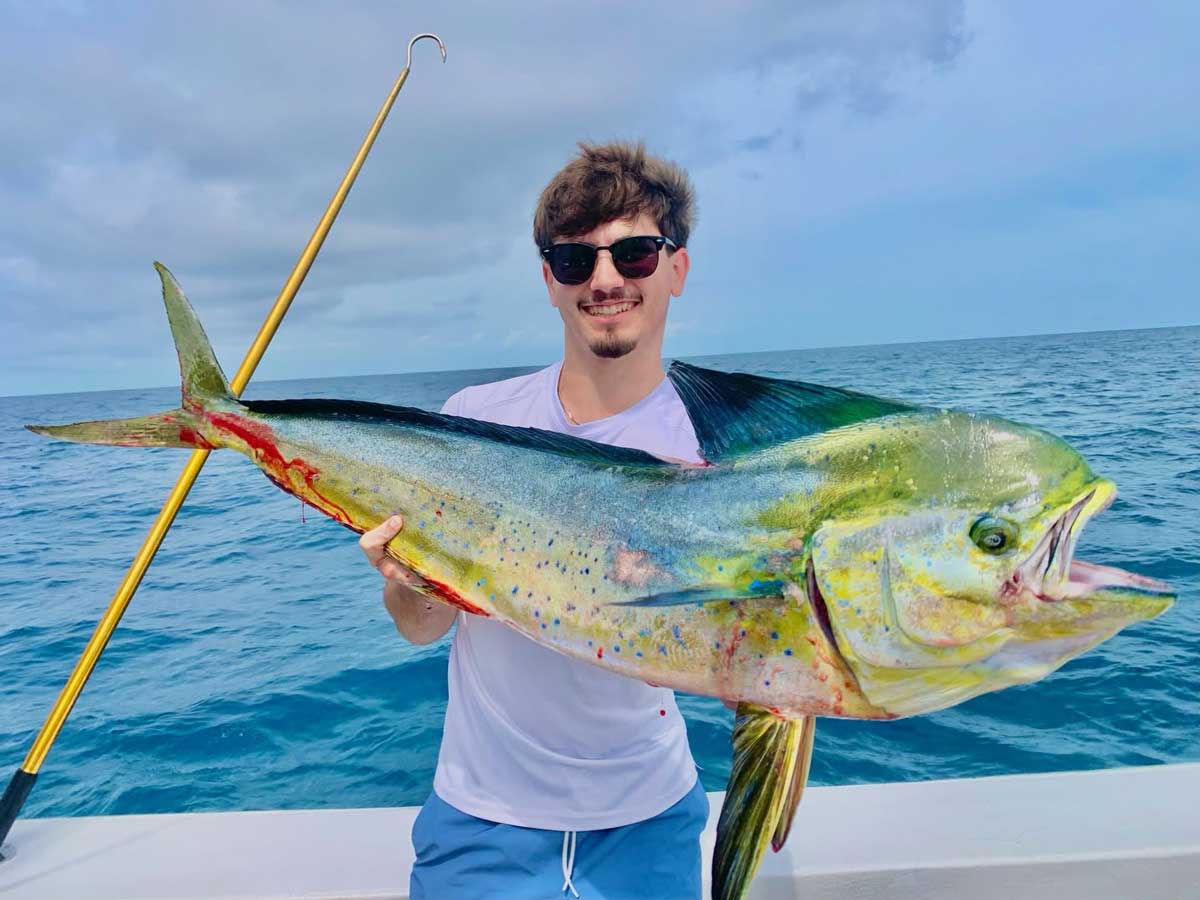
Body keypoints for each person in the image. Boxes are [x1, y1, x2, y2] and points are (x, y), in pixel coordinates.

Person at [359, 141, 709, 900]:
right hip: (481, 819)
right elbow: (421, 628)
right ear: (549, 280)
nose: (606, 280)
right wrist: (407, 581)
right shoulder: (474, 420)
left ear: (676, 268)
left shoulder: (710, 447)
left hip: (650, 818)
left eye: (635, 254)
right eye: (575, 260)